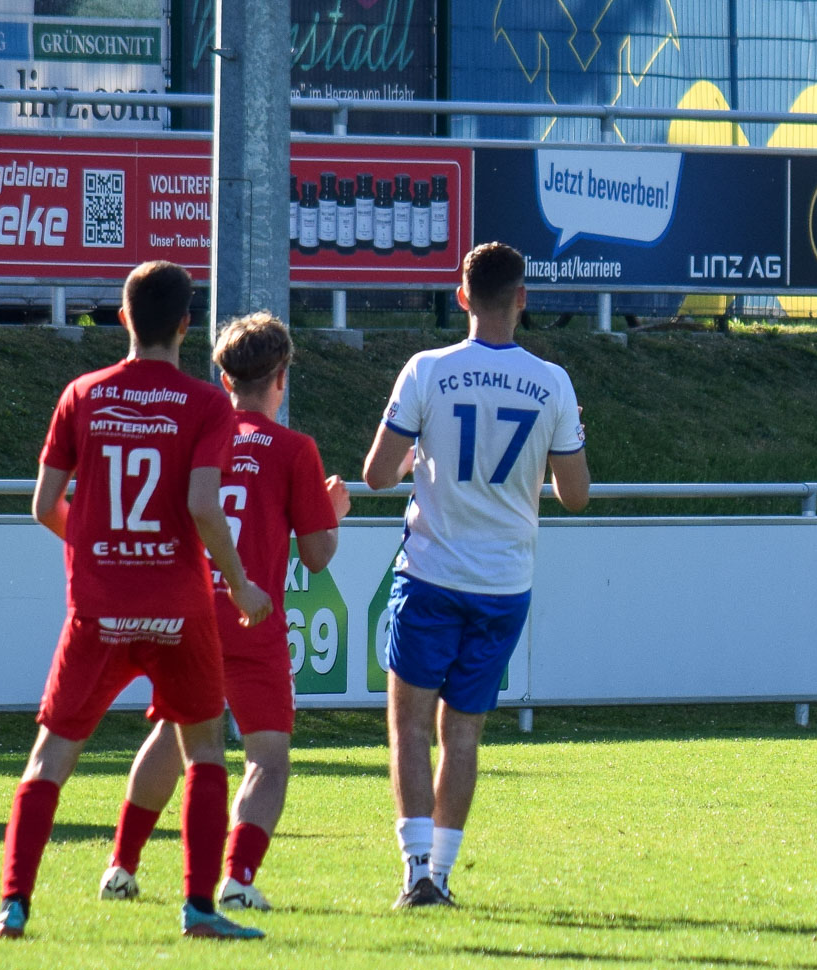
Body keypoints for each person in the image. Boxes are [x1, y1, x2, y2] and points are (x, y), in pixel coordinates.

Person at [0, 261, 273, 940]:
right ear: (186, 325)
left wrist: (96, 543)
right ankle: (199, 909)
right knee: (204, 750)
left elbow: (44, 505)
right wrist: (238, 581)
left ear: (123, 319)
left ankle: (14, 906)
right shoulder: (205, 404)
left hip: (100, 606)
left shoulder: (82, 395)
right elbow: (203, 504)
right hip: (179, 606)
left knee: (50, 757)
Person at [97, 312, 350, 913]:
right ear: (281, 377)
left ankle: (121, 867)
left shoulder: (193, 435)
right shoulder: (293, 449)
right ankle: (237, 879)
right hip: (252, 618)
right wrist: (332, 512)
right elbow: (317, 557)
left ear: (225, 377)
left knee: (171, 736)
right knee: (267, 758)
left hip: (191, 612)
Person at [362, 241, 590, 907]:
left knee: (409, 726)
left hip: (432, 573)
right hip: (503, 583)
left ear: (461, 297)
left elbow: (377, 474)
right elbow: (575, 495)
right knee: (462, 733)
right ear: (522, 299)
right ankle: (442, 875)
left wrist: (414, 457)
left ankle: (415, 873)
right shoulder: (553, 382)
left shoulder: (427, 369)